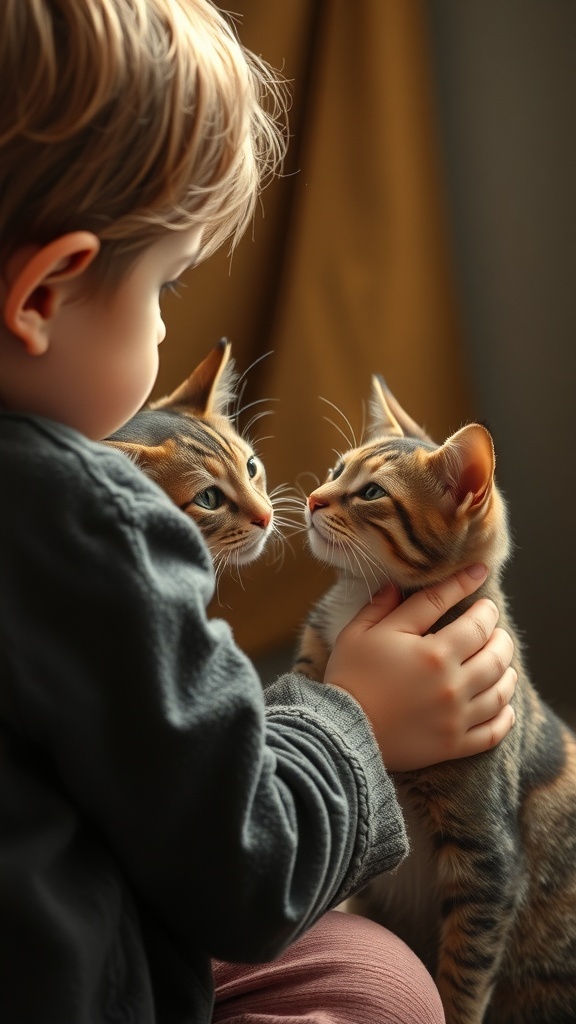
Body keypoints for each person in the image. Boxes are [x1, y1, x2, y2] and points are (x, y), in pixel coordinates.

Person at [0, 2, 517, 1022]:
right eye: (167, 286)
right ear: (45, 294)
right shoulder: (86, 517)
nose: (165, 325)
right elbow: (245, 867)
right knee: (378, 985)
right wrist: (354, 721)